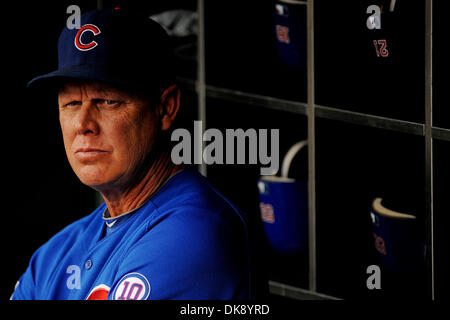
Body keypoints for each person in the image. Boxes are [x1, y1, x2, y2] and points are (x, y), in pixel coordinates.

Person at [11, 8, 253, 300]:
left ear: (166, 107)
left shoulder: (193, 235)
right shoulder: (53, 256)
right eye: (72, 103)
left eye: (108, 101)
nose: (83, 125)